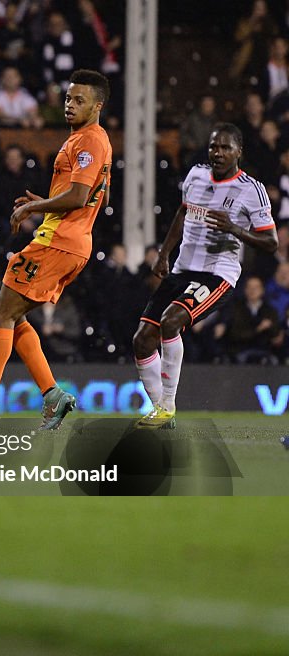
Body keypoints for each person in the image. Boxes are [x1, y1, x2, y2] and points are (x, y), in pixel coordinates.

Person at [0, 69, 114, 430]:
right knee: (13, 314)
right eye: (68, 99)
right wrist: (47, 202)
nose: (70, 106)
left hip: (58, 241)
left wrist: (33, 208)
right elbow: (93, 199)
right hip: (68, 240)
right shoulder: (94, 140)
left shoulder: (88, 141)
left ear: (97, 105)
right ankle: (53, 395)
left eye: (79, 101)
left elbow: (77, 196)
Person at [133, 123, 278, 428]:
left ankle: (167, 407)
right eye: (214, 146)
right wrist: (164, 254)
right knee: (142, 340)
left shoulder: (252, 190)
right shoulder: (196, 175)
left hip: (217, 274)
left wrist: (235, 229)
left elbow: (271, 243)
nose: (218, 153)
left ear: (239, 151)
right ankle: (161, 410)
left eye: (225, 147)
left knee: (171, 321)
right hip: (183, 268)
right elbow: (182, 213)